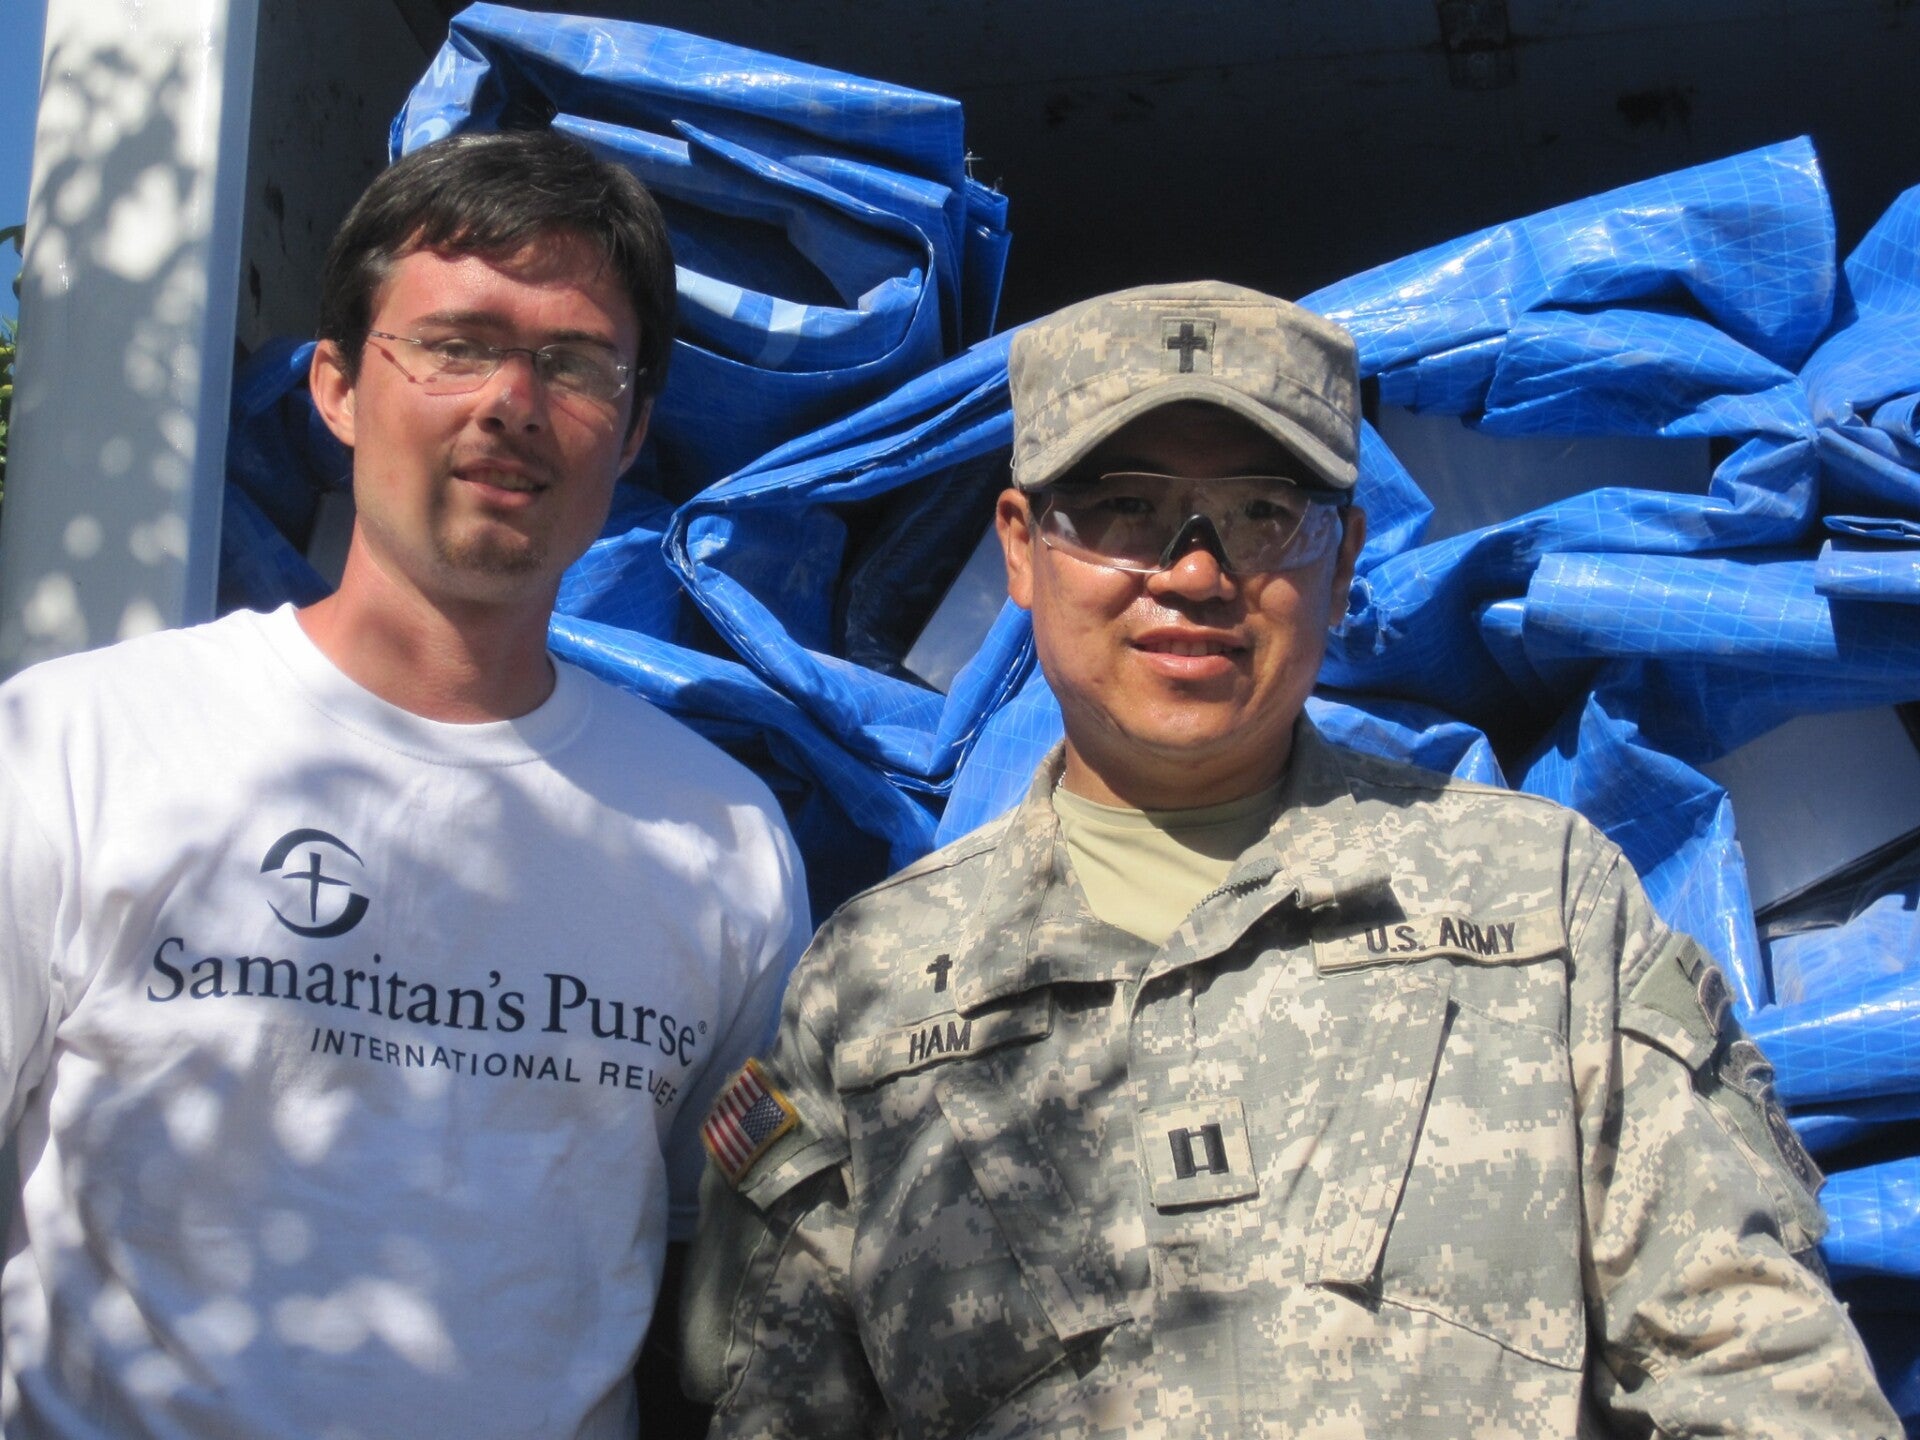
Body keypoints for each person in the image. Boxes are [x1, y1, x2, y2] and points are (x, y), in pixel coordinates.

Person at [681, 281, 1899, 1437]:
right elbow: (771, 1408)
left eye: (1264, 514)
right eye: (1123, 509)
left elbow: (1750, 1360)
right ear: (1020, 546)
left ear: (1345, 556)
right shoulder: (873, 987)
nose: (1194, 573)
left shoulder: (1545, 905)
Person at [0, 129, 808, 1438]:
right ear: (335, 387)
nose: (513, 402)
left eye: (575, 363)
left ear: (632, 431)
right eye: (455, 345)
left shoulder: (719, 839)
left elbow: (710, 1270)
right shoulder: (77, 747)